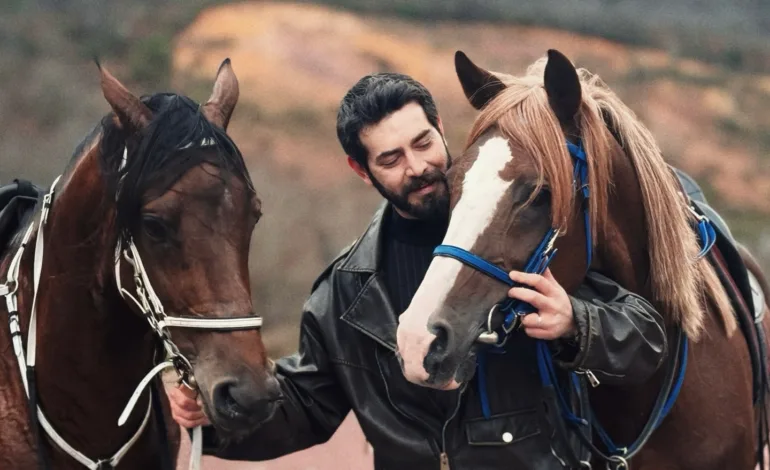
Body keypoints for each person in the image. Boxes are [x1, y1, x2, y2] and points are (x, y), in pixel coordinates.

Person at [166, 72, 668, 469]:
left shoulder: (518, 227)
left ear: (441, 129)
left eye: (423, 142)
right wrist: (212, 419)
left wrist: (576, 321)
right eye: (391, 158)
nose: (418, 166)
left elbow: (646, 336)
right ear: (362, 171)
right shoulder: (347, 289)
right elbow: (304, 409)